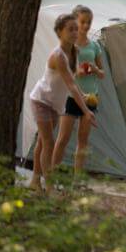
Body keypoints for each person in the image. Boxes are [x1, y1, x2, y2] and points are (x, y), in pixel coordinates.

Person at [29, 14, 96, 193]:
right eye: (70, 29)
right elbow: (71, 85)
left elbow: (73, 79)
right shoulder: (58, 56)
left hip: (55, 104)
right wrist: (86, 110)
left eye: (76, 28)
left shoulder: (74, 52)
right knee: (49, 143)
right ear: (59, 32)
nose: (75, 32)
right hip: (41, 100)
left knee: (43, 143)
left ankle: (35, 181)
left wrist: (85, 95)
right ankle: (49, 188)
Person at [52, 6, 105, 176]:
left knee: (83, 141)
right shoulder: (69, 46)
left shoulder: (95, 46)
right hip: (70, 97)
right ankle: (52, 177)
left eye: (89, 22)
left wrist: (95, 70)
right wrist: (78, 72)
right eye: (82, 22)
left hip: (90, 97)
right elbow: (62, 72)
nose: (86, 26)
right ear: (75, 21)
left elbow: (103, 73)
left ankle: (77, 181)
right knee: (63, 139)